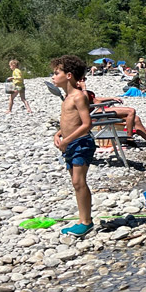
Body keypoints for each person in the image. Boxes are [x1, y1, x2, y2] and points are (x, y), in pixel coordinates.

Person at [51, 55, 95, 237]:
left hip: (81, 142)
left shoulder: (78, 96)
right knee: (76, 183)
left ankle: (87, 222)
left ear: (68, 75)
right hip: (69, 142)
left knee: (79, 181)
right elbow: (70, 121)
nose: (53, 77)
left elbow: (87, 124)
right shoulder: (67, 97)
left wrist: (67, 141)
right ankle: (82, 219)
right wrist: (59, 133)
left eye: (56, 73)